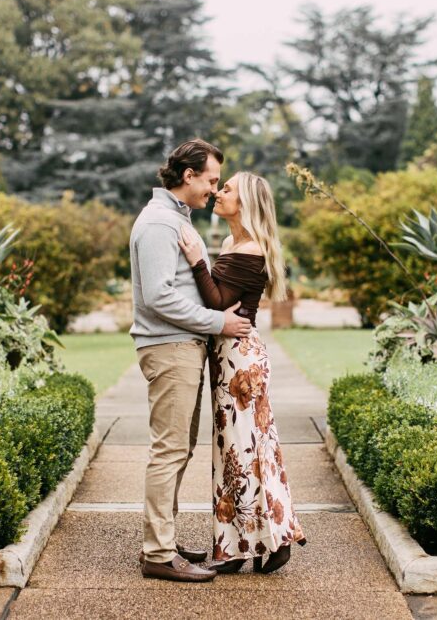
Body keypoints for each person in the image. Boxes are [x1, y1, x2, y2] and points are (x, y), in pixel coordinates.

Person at [129, 138, 252, 583]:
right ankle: (158, 554)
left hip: (181, 347)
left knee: (179, 449)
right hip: (169, 348)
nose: (215, 190)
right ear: (188, 176)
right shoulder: (161, 223)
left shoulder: (174, 217)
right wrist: (216, 321)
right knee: (169, 450)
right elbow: (160, 295)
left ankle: (163, 540)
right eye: (212, 180)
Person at [178, 171, 307, 575]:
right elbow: (219, 306)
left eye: (228, 188)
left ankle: (258, 542)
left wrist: (197, 259)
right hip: (232, 356)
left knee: (243, 452)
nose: (218, 191)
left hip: (239, 363)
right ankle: (237, 544)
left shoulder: (248, 249)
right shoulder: (236, 243)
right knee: (240, 452)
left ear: (246, 203)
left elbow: (216, 300)